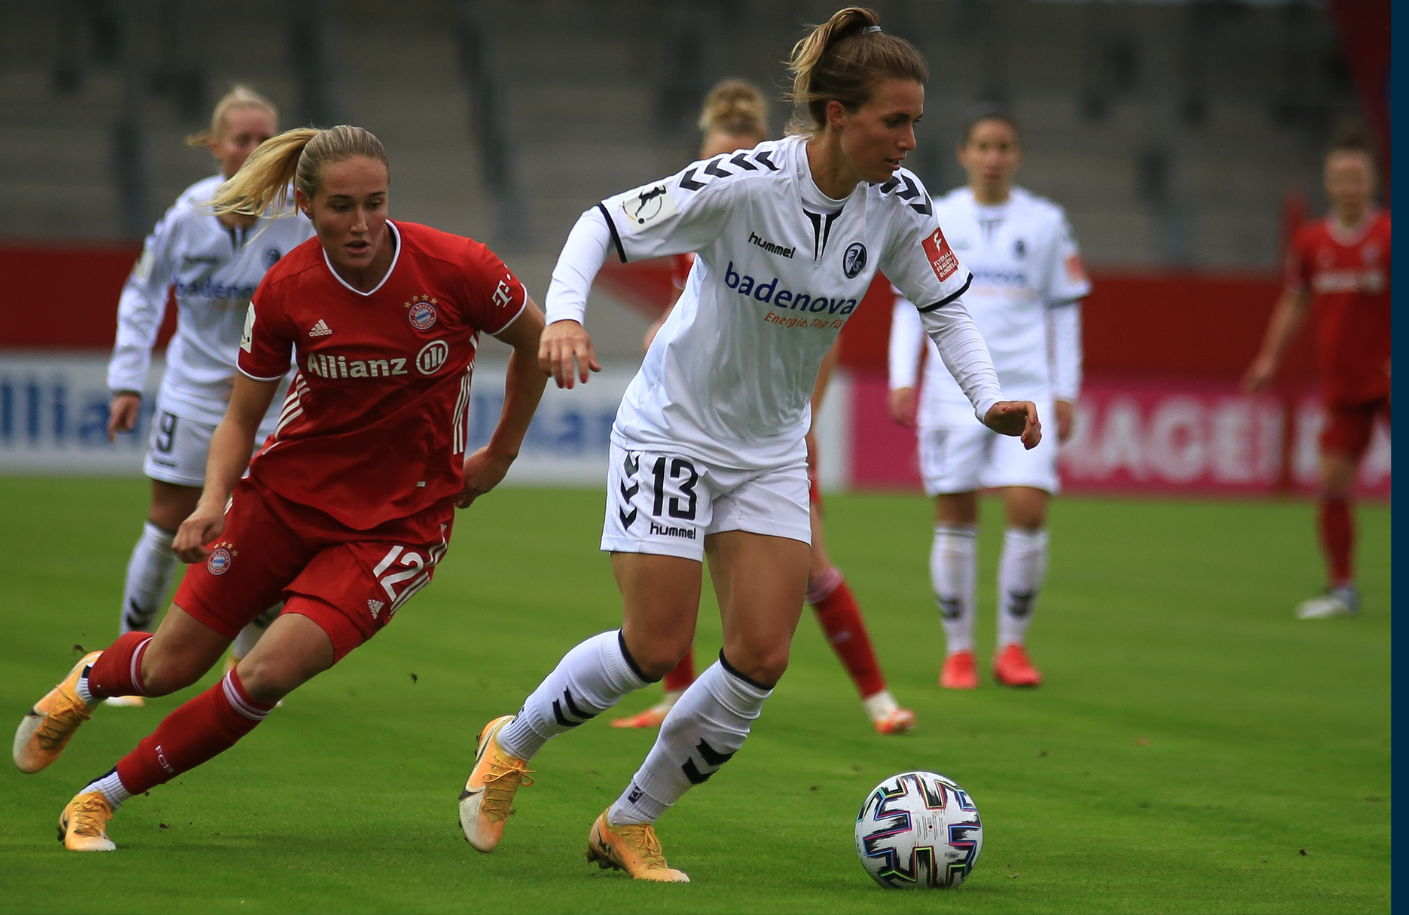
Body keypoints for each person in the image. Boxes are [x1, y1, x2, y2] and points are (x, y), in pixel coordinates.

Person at [457, 8, 1039, 882]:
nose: (912, 140)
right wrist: (567, 316)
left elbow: (945, 305)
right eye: (895, 120)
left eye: (917, 120)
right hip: (672, 431)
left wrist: (988, 399)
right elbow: (601, 225)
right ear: (838, 115)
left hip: (770, 447)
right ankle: (514, 740)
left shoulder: (899, 204)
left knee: (761, 655)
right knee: (654, 645)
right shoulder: (742, 181)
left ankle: (629, 819)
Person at [10, 124, 550, 853]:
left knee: (263, 674)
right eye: (340, 207)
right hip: (284, 500)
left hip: (398, 526)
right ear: (304, 204)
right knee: (169, 665)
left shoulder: (458, 267)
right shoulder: (288, 288)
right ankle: (88, 680)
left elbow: (536, 345)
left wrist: (502, 453)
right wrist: (210, 502)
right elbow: (240, 417)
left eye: (375, 203)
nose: (360, 224)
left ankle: (98, 799)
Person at [614, 78, 915, 736]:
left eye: (740, 153)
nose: (723, 170)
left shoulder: (789, 217)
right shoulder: (696, 228)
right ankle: (675, 694)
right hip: (698, 422)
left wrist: (805, 421)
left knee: (810, 568)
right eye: (712, 158)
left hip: (772, 432)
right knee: (674, 554)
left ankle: (878, 697)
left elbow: (814, 338)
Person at [102, 86, 312, 706]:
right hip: (192, 395)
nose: (252, 150)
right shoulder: (186, 215)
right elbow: (143, 293)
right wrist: (125, 379)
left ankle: (247, 667)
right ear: (215, 146)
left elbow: (319, 306)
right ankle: (126, 656)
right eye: (241, 139)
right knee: (168, 523)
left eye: (264, 140)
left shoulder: (299, 218)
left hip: (270, 400)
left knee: (271, 529)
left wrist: (284, 370)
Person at [886, 108, 1089, 689]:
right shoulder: (937, 215)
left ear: (1016, 155)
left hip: (1028, 387)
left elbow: (1065, 311)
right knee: (954, 514)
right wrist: (904, 376)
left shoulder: (1047, 222)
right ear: (964, 153)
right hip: (951, 392)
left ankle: (1012, 648)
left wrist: (1066, 391)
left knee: (1028, 509)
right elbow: (909, 303)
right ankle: (958, 652)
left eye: (1003, 146)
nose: (993, 157)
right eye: (983, 146)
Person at [1243, 129, 1390, 620]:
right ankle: (1342, 587)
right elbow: (1295, 301)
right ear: (1328, 182)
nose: (1350, 187)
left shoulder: (1390, 236)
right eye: (1341, 178)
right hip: (1344, 382)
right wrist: (1269, 358)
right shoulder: (1312, 242)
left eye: (1358, 177)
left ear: (1373, 181)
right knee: (1331, 483)